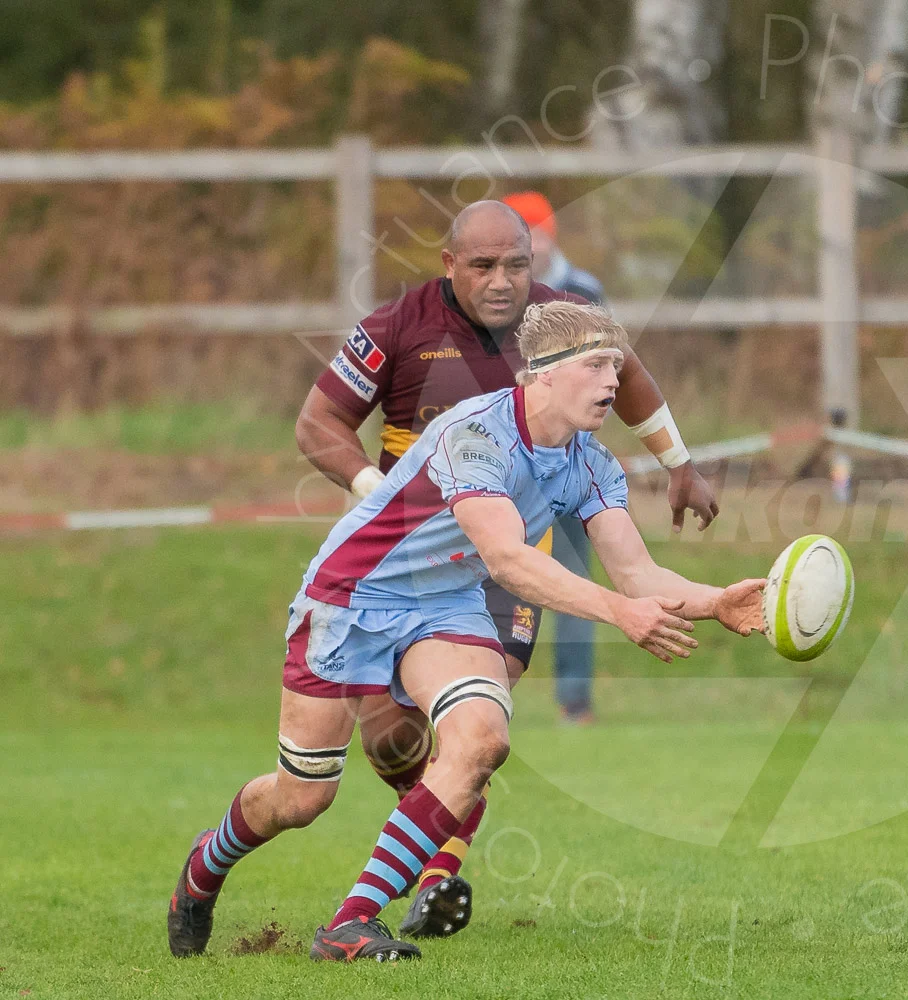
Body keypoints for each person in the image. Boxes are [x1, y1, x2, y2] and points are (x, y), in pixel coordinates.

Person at [168, 301, 765, 962]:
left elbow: (638, 575)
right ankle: (202, 870)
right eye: (597, 365)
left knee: (482, 741)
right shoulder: (475, 434)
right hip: (352, 595)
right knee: (301, 797)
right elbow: (509, 559)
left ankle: (351, 923)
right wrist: (618, 614)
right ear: (540, 372)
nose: (613, 383)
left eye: (617, 367)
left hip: (442, 603)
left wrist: (719, 603)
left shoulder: (593, 465)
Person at [290, 200, 718, 938]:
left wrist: (677, 465)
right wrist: (378, 496)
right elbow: (316, 426)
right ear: (449, 264)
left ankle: (432, 881)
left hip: (508, 563)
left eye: (516, 264)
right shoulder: (396, 327)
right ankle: (415, 861)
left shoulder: (561, 323)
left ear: (534, 260)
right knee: (391, 741)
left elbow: (633, 373)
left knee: (480, 725)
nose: (501, 280)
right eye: (483, 265)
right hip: (406, 563)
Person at [502, 191, 608, 725]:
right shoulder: (504, 295)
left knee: (573, 581)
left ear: (548, 236)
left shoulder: (584, 292)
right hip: (511, 462)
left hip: (568, 462)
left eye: (528, 238)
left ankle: (575, 698)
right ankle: (482, 692)